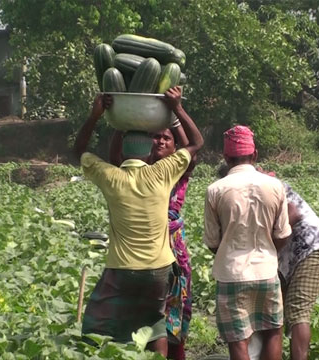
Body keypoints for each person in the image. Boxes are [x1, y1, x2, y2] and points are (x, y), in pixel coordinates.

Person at [73, 86, 204, 357]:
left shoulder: (111, 176)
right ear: (147, 153)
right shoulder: (163, 173)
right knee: (156, 322)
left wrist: (100, 115)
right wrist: (177, 108)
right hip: (160, 267)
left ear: (123, 152)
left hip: (121, 268)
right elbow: (196, 143)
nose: (160, 142)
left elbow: (80, 150)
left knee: (97, 323)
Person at [203, 125, 292, 360]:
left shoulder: (215, 190)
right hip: (266, 270)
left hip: (231, 273)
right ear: (254, 155)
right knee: (273, 331)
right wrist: (268, 251)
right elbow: (282, 234)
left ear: (225, 157)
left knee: (238, 339)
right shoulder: (275, 186)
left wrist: (227, 252)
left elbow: (212, 241)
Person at [109, 119, 195, 360]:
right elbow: (114, 158)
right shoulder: (137, 170)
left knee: (172, 314)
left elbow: (192, 149)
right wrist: (120, 126)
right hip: (142, 247)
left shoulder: (177, 169)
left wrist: (175, 120)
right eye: (156, 137)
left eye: (166, 138)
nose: (160, 141)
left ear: (175, 147)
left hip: (172, 249)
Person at [277, 182, 319, 360]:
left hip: (312, 247)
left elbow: (293, 214)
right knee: (277, 307)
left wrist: (273, 245)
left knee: (298, 310)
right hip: (292, 256)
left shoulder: (267, 185)